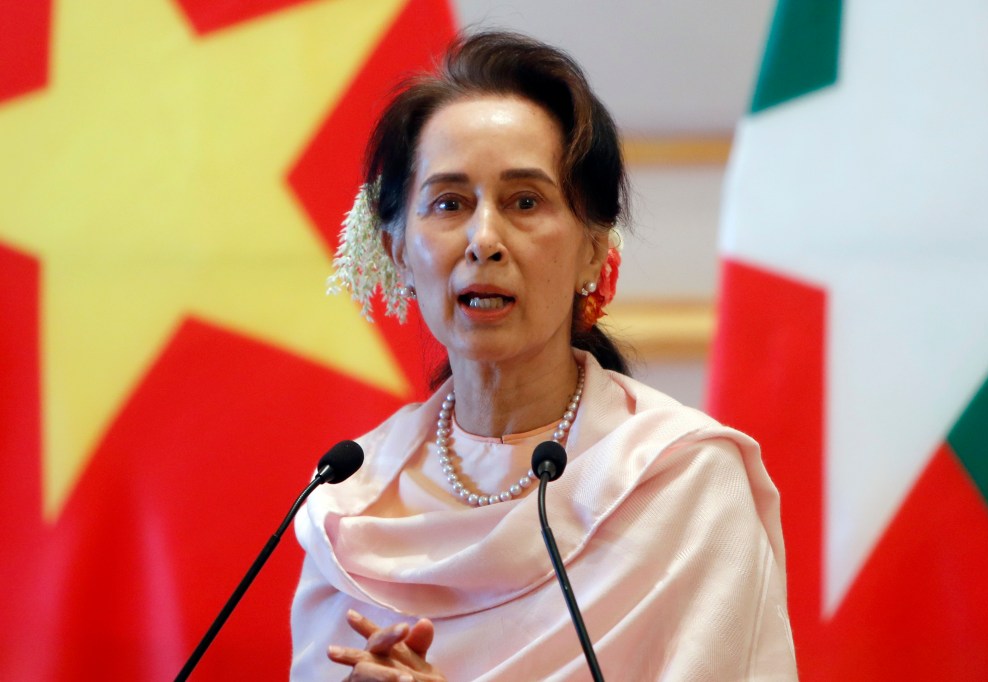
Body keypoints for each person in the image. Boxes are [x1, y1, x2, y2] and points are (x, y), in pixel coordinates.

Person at [292, 31, 796, 681]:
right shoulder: (350, 502)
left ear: (593, 249)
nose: (484, 240)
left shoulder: (683, 482)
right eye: (449, 203)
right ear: (397, 251)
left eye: (524, 202)